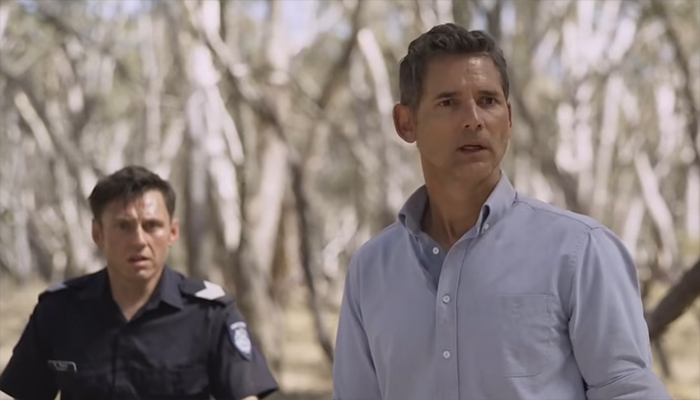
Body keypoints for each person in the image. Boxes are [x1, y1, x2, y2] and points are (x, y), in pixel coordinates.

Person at [333, 23, 671, 400]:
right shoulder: (371, 269)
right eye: (448, 102)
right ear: (406, 122)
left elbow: (628, 392)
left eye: (488, 101)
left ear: (508, 119)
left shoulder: (580, 252)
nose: (474, 119)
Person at [0, 165, 278, 400]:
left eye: (152, 225)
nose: (139, 241)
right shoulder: (59, 312)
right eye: (124, 226)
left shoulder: (210, 315)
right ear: (98, 234)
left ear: (172, 232)